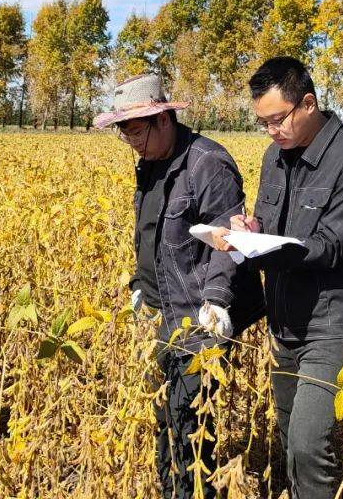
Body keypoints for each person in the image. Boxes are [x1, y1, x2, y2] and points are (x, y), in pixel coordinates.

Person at [209, 57, 343, 499]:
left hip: (334, 322)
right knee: (288, 436)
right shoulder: (275, 155)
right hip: (284, 319)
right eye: (263, 123)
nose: (271, 131)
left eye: (277, 120)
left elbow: (331, 245)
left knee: (309, 443)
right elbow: (270, 224)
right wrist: (248, 233)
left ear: (308, 103)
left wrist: (267, 247)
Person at [94, 74, 264, 499]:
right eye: (124, 133)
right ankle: (170, 490)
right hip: (161, 312)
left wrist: (217, 301)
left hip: (198, 316)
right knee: (164, 416)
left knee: (189, 422)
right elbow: (147, 233)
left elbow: (228, 235)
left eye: (136, 130)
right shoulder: (150, 164)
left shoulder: (208, 162)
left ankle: (190, 492)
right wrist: (139, 285)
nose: (131, 141)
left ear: (163, 118)